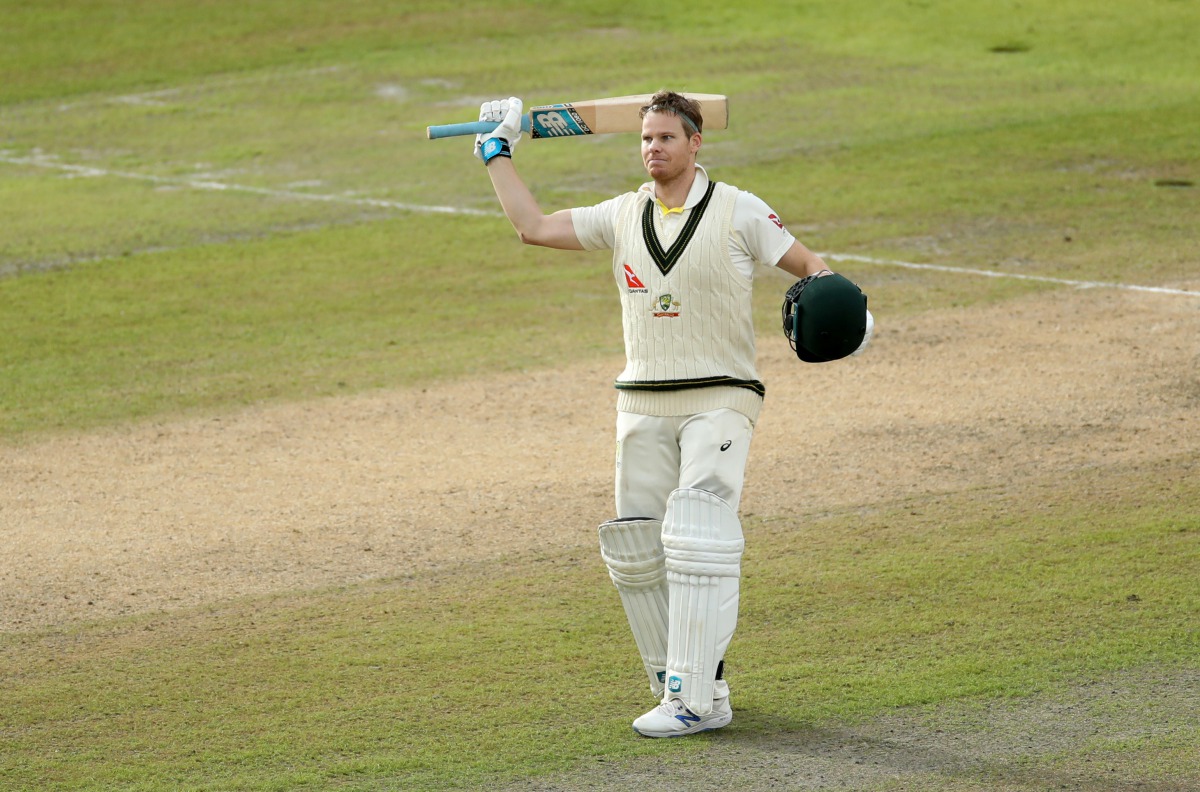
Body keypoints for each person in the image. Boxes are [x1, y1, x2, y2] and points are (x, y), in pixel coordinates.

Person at [475, 90, 845, 737]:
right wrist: (494, 151)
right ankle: (702, 690)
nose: (654, 148)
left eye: (667, 138)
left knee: (698, 536)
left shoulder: (739, 211)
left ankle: (688, 702)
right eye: (646, 138)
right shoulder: (620, 216)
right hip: (642, 401)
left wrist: (830, 307)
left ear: (695, 143)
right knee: (639, 550)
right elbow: (531, 227)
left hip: (721, 397)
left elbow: (810, 265)